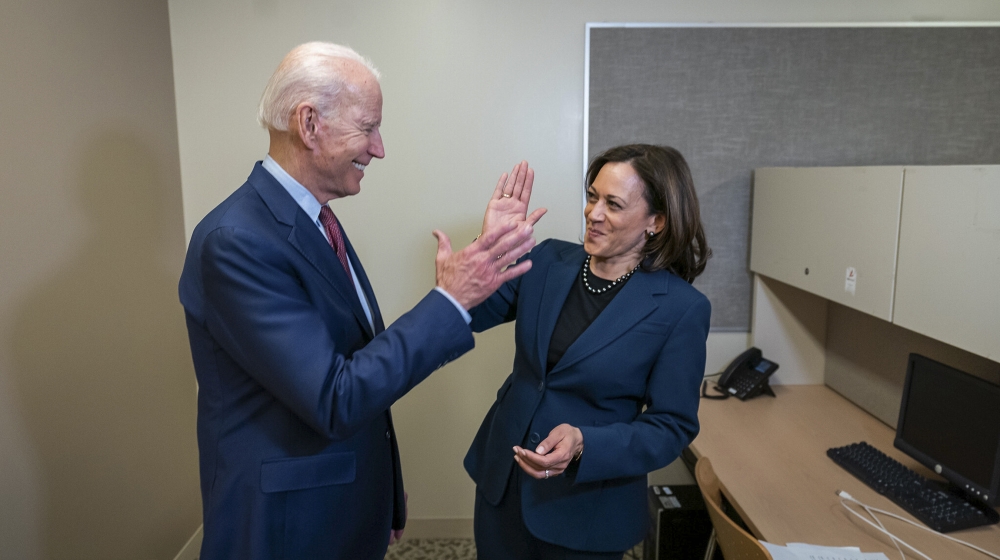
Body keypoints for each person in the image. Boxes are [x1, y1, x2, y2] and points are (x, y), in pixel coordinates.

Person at [178, 42, 542, 560]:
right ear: (309, 124)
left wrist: (382, 489)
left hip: (336, 505)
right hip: (283, 527)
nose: (379, 148)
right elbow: (335, 397)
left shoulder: (313, 218)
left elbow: (351, 363)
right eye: (367, 127)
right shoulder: (237, 240)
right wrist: (449, 299)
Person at [464, 144, 712, 559]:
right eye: (593, 196)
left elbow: (672, 426)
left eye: (613, 204)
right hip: (503, 481)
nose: (593, 213)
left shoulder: (680, 308)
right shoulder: (546, 260)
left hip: (586, 507)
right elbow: (465, 315)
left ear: (656, 221)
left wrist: (585, 443)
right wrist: (489, 248)